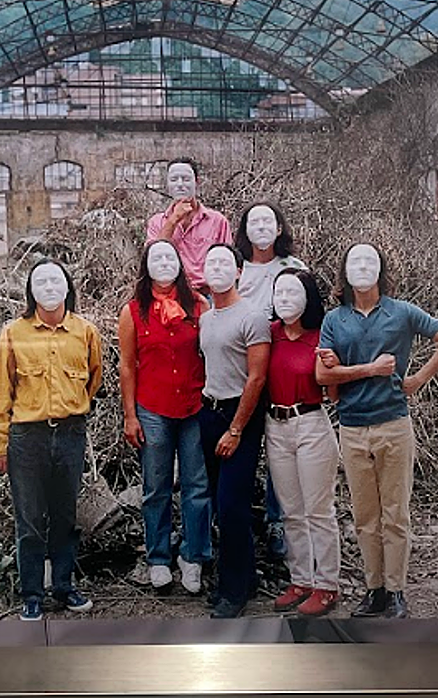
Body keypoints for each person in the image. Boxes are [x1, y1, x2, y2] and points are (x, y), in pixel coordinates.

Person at [316, 242, 438, 619]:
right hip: (352, 427)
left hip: (394, 425)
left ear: (381, 270)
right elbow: (322, 376)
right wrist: (366, 370)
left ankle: (396, 592)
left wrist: (418, 379)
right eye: (355, 261)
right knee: (365, 516)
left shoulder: (402, 312)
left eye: (370, 261)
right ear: (345, 271)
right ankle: (375, 591)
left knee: (395, 514)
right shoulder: (334, 319)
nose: (363, 267)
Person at [0, 259, 102, 621]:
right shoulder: (13, 333)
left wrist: (71, 409)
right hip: (27, 438)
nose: (49, 288)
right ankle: (32, 594)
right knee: (30, 519)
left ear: (67, 287)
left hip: (69, 435)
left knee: (65, 516)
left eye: (56, 281)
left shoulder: (85, 332)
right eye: (41, 282)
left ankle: (64, 587)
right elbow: (0, 391)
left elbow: (93, 379)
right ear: (30, 291)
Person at [118, 239, 212, 595]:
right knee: (156, 487)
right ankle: (158, 558)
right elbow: (127, 366)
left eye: (169, 257)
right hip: (152, 408)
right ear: (146, 266)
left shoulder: (199, 305)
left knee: (196, 486)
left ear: (180, 263)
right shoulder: (132, 311)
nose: (163, 263)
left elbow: (210, 353)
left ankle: (193, 556)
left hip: (193, 406)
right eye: (156, 257)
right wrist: (130, 415)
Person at [199, 243, 271, 618]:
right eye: (211, 263)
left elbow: (256, 378)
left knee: (231, 505)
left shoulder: (252, 316)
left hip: (239, 415)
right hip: (209, 412)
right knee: (220, 502)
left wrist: (237, 428)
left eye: (225, 262)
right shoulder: (207, 317)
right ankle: (245, 578)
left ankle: (233, 593)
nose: (217, 269)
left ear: (239, 271)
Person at [265, 268, 341, 617]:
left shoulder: (321, 335)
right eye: (279, 292)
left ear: (307, 298)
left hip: (310, 423)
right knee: (291, 511)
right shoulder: (269, 334)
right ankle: (301, 580)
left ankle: (327, 585)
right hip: (275, 426)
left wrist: (334, 368)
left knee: (318, 510)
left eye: (292, 292)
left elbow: (334, 394)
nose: (284, 299)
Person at [235, 200, 305, 559]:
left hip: (282, 368)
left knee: (282, 448)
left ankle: (279, 521)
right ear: (244, 230)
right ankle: (239, 520)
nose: (261, 229)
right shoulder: (236, 269)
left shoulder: (294, 268)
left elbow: (309, 318)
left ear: (279, 228)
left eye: (268, 222)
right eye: (254, 222)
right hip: (241, 371)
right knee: (243, 445)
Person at [146, 158, 232, 293]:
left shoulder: (217, 221)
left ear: (197, 182)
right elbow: (152, 257)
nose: (180, 184)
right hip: (170, 295)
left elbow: (228, 262)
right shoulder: (156, 222)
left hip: (208, 294)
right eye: (174, 179)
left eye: (186, 179)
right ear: (167, 184)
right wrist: (173, 220)